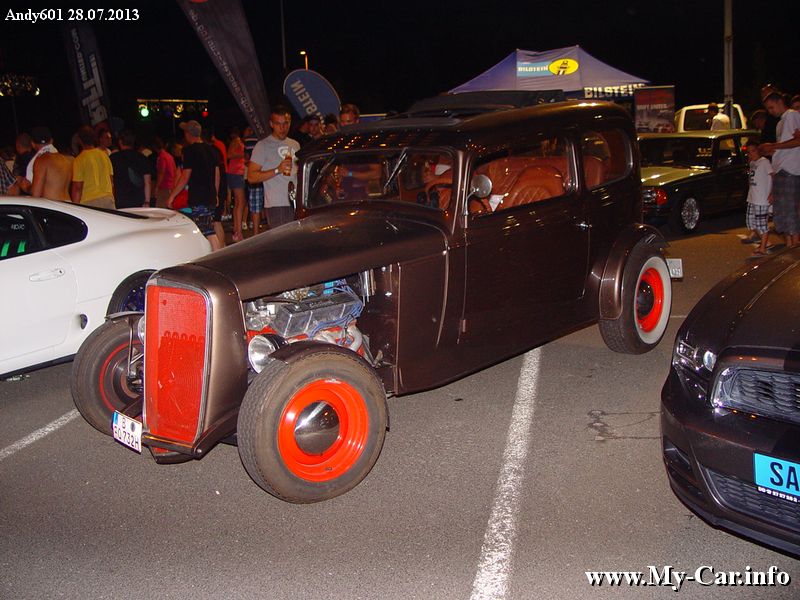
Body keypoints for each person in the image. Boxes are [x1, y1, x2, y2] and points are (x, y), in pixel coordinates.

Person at [167, 120, 222, 250]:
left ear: (188, 134)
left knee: (207, 231)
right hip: (209, 195)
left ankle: (217, 257)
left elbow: (185, 176)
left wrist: (172, 196)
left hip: (199, 197)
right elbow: (217, 175)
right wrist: (216, 194)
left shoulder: (189, 151)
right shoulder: (212, 150)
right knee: (207, 228)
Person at [248, 106, 300, 230]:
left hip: (297, 202)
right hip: (277, 204)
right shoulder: (263, 146)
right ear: (271, 124)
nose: (282, 128)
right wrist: (277, 170)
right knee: (283, 239)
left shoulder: (295, 144)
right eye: (278, 124)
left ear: (290, 123)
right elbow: (251, 177)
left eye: (285, 123)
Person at [760, 91, 800, 248]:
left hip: (789, 170)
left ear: (779, 102)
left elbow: (797, 140)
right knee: (782, 212)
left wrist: (774, 146)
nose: (771, 111)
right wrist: (772, 150)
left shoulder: (792, 115)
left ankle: (794, 245)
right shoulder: (780, 123)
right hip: (781, 169)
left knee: (789, 210)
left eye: (771, 107)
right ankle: (789, 245)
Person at [71, 125, 115, 208]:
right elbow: (111, 181)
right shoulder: (104, 155)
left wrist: (75, 207)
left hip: (89, 202)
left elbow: (77, 188)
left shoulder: (79, 159)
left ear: (80, 140)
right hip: (108, 199)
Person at [110, 129, 151, 208]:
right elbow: (147, 182)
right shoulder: (142, 158)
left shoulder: (113, 158)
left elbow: (111, 181)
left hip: (120, 200)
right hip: (138, 200)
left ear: (120, 142)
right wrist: (147, 201)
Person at [745, 143, 773, 256]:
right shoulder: (752, 163)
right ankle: (765, 242)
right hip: (752, 197)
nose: (751, 154)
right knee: (751, 223)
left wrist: (772, 193)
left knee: (761, 224)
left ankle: (762, 248)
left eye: (753, 151)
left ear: (758, 151)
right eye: (748, 152)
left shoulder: (764, 162)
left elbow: (773, 176)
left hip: (761, 198)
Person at [226, 128, 246, 242]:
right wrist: (243, 154)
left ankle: (236, 230)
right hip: (236, 173)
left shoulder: (236, 141)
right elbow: (230, 155)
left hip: (235, 172)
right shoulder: (237, 141)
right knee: (240, 202)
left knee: (238, 202)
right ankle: (238, 232)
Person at [152, 137, 175, 208]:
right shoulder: (169, 156)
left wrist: (156, 187)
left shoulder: (162, 157)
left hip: (164, 187)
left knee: (160, 209)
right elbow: (175, 170)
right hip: (171, 186)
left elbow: (161, 173)